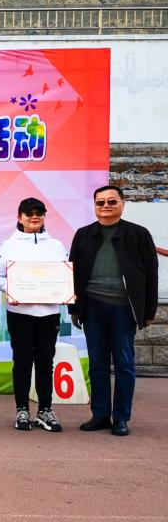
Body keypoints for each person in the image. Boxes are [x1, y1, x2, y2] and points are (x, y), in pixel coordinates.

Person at [70, 185, 158, 437]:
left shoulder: (138, 234)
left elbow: (151, 273)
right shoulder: (84, 234)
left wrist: (148, 311)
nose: (106, 206)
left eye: (111, 201)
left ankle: (121, 417)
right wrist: (74, 308)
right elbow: (72, 271)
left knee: (124, 363)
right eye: (100, 202)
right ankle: (100, 415)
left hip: (124, 308)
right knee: (97, 363)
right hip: (93, 307)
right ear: (95, 206)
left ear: (122, 204)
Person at [0, 197, 69, 432]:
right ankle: (22, 410)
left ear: (44, 216)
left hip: (49, 313)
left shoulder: (56, 245)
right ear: (19, 217)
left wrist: (61, 290)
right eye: (29, 213)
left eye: (39, 213)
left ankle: (45, 410)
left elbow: (64, 275)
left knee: (46, 362)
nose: (34, 217)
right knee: (22, 361)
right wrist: (14, 291)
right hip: (19, 312)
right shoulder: (7, 246)